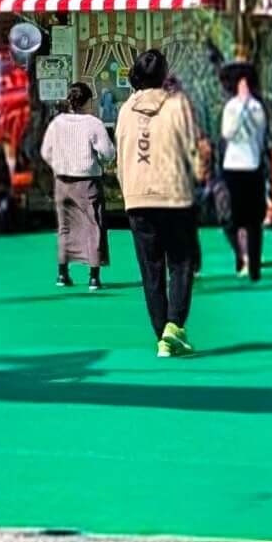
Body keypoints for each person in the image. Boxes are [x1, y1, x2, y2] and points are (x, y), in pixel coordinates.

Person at [115, 48, 202, 357]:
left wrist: (128, 190)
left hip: (137, 197)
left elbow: (121, 154)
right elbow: (191, 149)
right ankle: (174, 326)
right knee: (181, 262)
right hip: (173, 195)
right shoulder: (176, 105)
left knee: (151, 271)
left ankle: (162, 336)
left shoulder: (126, 110)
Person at [38, 80, 114, 289]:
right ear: (88, 101)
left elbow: (45, 151)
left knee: (65, 227)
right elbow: (108, 152)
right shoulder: (93, 123)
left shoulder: (57, 123)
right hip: (87, 181)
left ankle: (62, 273)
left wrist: (58, 164)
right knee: (93, 225)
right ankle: (94, 277)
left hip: (62, 181)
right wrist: (100, 162)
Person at [219, 66, 271, 282]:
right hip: (233, 166)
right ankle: (241, 257)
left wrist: (248, 108)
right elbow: (228, 132)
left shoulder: (258, 107)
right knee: (234, 219)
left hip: (252, 165)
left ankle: (254, 267)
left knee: (254, 220)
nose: (245, 88)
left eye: (247, 84)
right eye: (241, 84)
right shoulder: (231, 107)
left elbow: (259, 132)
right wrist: (241, 108)